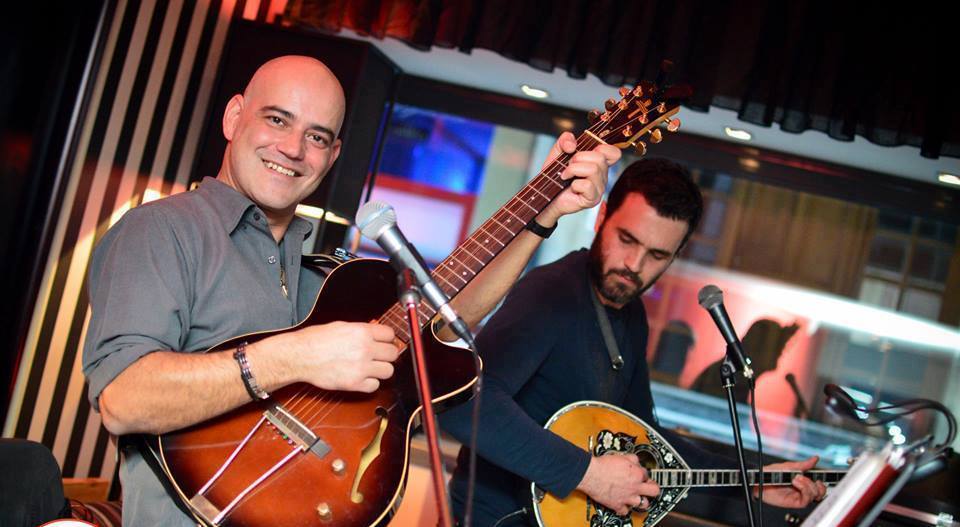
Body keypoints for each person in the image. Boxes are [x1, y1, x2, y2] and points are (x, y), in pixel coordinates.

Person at [81, 55, 620, 526]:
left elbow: (446, 315)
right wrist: (295, 357)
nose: (293, 148)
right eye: (277, 119)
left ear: (334, 154)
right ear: (233, 116)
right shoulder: (162, 230)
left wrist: (541, 215)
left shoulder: (323, 275)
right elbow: (123, 400)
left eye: (317, 137)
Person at [440, 159, 827, 526]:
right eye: (627, 239)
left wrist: (752, 482)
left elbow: (647, 437)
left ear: (675, 255)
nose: (634, 265)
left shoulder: (631, 315)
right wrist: (588, 474)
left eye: (657, 254)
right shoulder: (552, 291)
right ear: (601, 217)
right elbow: (464, 402)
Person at [691, 319, 801, 404]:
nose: (781, 352)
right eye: (777, 344)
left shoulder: (738, 380)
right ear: (758, 347)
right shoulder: (728, 380)